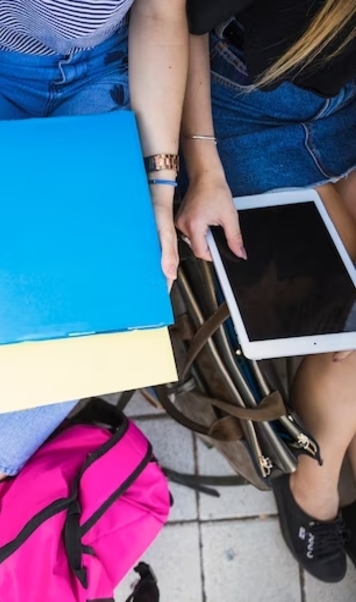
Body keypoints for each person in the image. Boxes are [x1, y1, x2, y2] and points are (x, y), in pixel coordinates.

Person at [0, 0, 188, 587]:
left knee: (104, 312)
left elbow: (162, 15)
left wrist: (161, 188)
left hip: (102, 74)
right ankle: (14, 438)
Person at [177, 0, 356, 583]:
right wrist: (202, 165)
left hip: (347, 103)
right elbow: (178, 19)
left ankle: (335, 453)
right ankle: (314, 480)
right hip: (244, 105)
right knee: (348, 327)